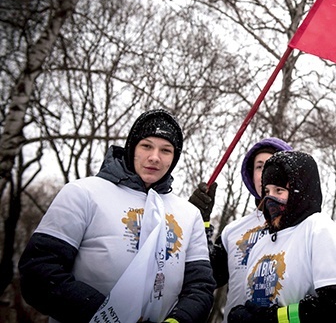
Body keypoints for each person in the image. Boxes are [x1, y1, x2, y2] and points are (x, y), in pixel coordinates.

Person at [19, 109, 215, 323]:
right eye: (146, 146)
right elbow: (38, 272)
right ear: (132, 148)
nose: (154, 157)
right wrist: (105, 315)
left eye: (166, 150)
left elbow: (200, 287)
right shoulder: (82, 193)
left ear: (174, 158)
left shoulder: (189, 214)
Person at [227, 150, 336, 323]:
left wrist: (277, 318)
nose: (271, 199)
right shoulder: (261, 243)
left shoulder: (320, 230)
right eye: (267, 191)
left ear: (300, 191)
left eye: (279, 190)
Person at [189, 137, 293, 322]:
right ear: (251, 174)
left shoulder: (305, 227)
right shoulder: (233, 231)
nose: (266, 173)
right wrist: (200, 223)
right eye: (260, 166)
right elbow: (208, 275)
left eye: (273, 164)